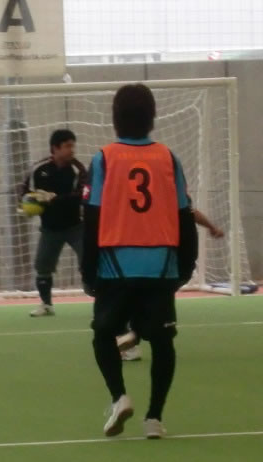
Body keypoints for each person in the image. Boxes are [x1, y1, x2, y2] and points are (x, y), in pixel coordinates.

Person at [81, 84, 198, 439]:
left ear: (115, 117)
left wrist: (88, 269)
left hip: (114, 262)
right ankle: (154, 418)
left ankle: (119, 397)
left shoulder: (104, 158)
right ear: (152, 116)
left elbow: (92, 217)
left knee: (103, 333)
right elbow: (184, 214)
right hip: (160, 262)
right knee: (163, 342)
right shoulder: (168, 158)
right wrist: (187, 262)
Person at [118, 207, 223, 361]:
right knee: (152, 296)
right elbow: (192, 212)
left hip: (169, 258)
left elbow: (191, 212)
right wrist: (212, 227)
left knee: (147, 294)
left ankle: (136, 334)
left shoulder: (164, 207)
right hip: (176, 260)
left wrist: (211, 227)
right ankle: (138, 334)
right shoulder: (175, 205)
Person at [20, 129, 86, 317]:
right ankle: (46, 305)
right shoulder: (38, 170)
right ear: (55, 148)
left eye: (73, 146)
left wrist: (54, 199)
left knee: (89, 263)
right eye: (67, 146)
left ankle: (101, 302)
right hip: (50, 228)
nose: (72, 150)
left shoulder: (78, 170)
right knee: (42, 266)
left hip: (76, 227)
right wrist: (25, 206)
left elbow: (81, 196)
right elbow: (25, 192)